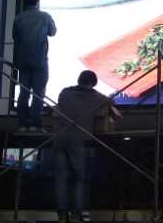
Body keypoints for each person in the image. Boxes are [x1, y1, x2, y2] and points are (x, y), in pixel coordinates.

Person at [53, 70, 116, 223]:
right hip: (77, 140)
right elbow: (111, 102)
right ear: (93, 83)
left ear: (79, 80)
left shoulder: (64, 92)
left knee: (61, 178)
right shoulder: (95, 96)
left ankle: (62, 216)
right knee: (79, 179)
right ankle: (76, 215)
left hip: (58, 139)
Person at [13, 0, 57, 132]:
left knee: (23, 92)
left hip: (23, 61)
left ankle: (22, 124)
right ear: (37, 2)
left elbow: (15, 37)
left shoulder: (19, 18)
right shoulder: (44, 16)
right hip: (39, 60)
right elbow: (53, 32)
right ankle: (35, 124)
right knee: (38, 92)